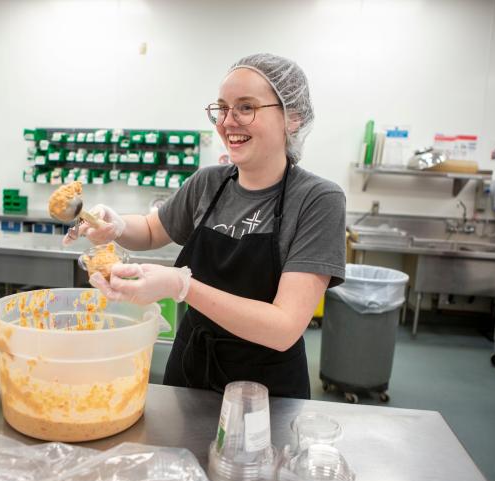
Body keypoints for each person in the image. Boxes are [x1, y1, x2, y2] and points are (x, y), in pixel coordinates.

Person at [70, 53, 346, 399]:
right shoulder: (209, 182)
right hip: (190, 367)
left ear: (293, 117)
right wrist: (119, 225)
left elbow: (283, 327)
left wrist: (181, 287)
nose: (228, 121)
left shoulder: (318, 199)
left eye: (246, 107)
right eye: (222, 108)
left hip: (265, 389)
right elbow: (155, 230)